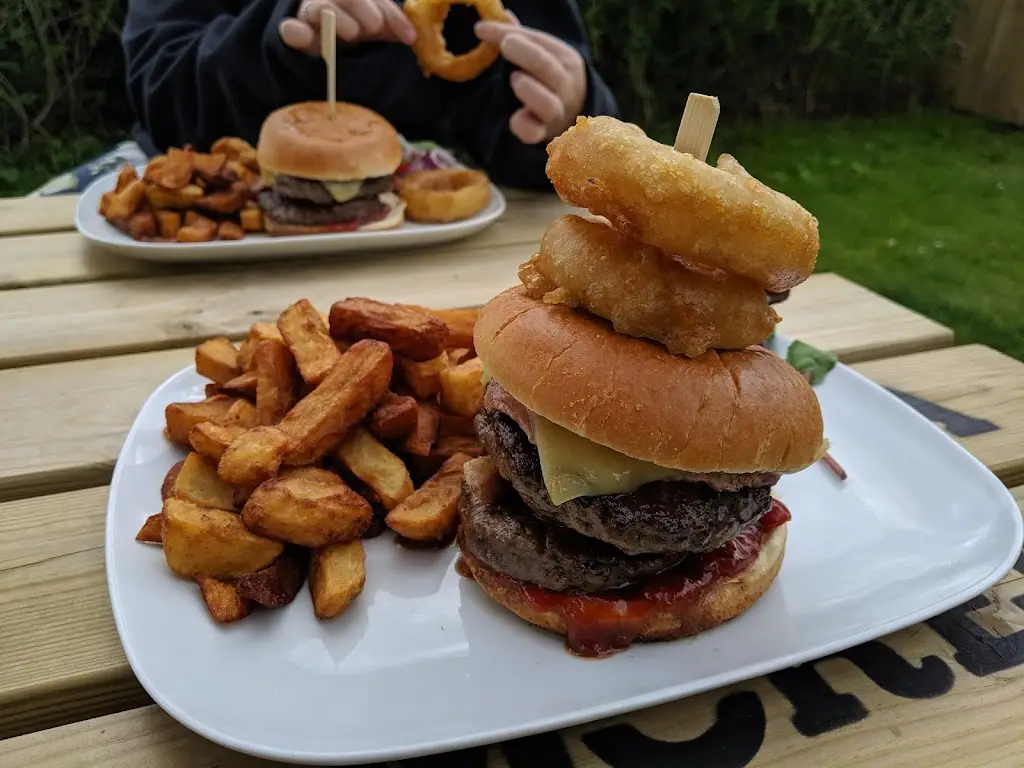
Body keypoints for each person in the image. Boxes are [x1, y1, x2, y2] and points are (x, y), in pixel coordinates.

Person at [34, 0, 618, 195]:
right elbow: (159, 91)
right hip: (212, 211)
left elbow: (571, 131)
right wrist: (282, 43)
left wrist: (563, 111)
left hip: (443, 237)